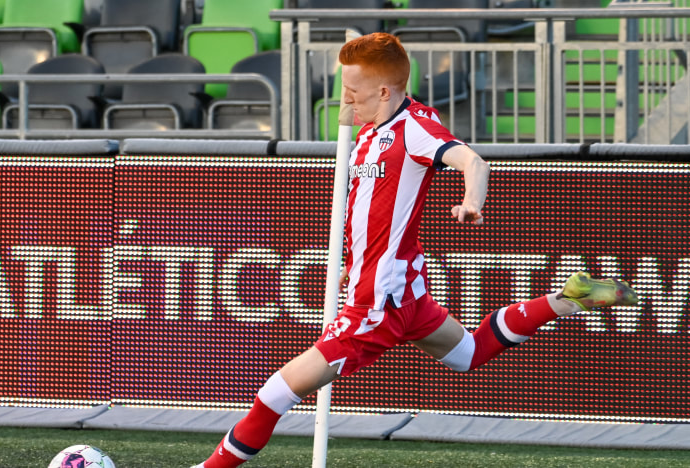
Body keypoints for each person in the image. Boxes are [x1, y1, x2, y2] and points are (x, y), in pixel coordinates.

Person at [193, 32, 638, 468]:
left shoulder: (416, 129)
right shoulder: (368, 132)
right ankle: (567, 300)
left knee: (276, 393)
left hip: (378, 302)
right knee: (468, 353)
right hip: (405, 293)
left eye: (352, 92)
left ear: (384, 91)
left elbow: (472, 161)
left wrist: (471, 203)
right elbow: (370, 211)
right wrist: (352, 262)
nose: (345, 101)